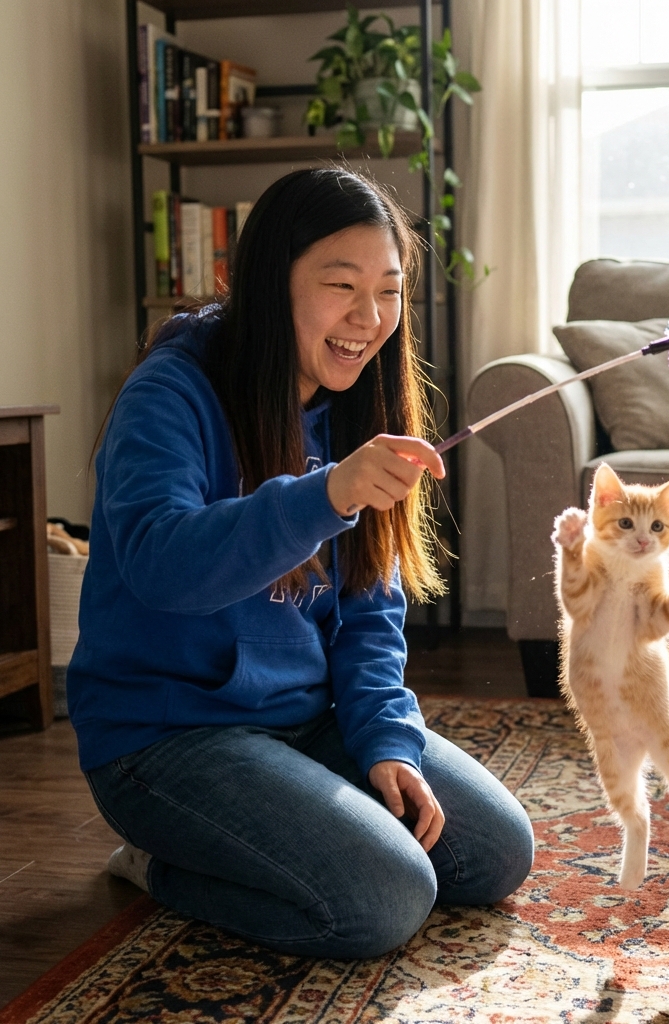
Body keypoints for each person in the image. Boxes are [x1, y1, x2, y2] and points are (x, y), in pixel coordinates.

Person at [67, 167, 534, 959]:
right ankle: (155, 862)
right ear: (268, 282)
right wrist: (325, 494)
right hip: (166, 737)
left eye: (388, 291)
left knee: (494, 853)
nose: (370, 318)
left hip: (306, 719)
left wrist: (385, 741)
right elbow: (161, 566)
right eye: (341, 285)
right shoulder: (171, 394)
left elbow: (370, 607)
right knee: (386, 897)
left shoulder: (357, 399)